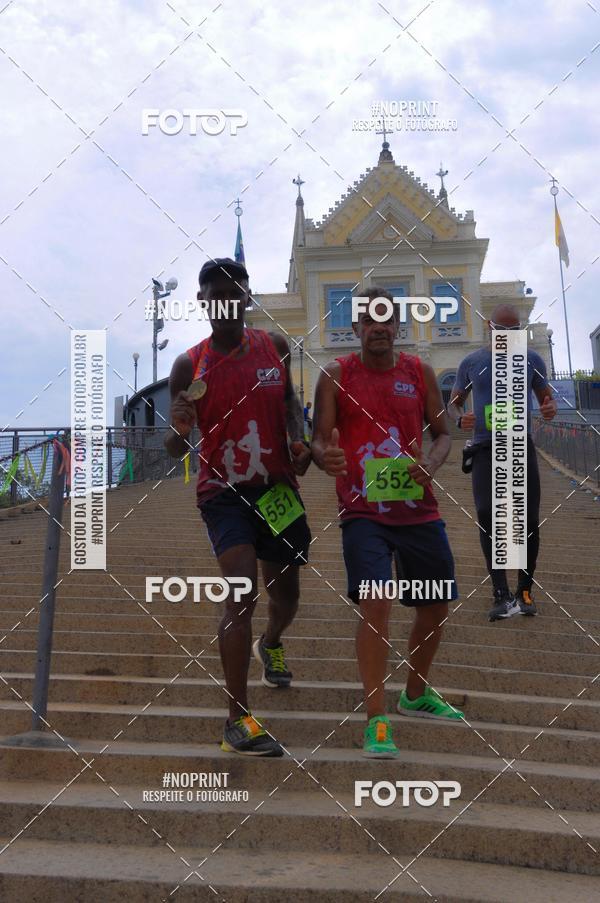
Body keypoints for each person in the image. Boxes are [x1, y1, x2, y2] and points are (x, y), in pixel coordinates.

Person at [165, 258, 312, 756]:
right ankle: (237, 720)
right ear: (204, 303)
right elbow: (171, 446)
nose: (226, 302)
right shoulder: (190, 365)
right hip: (223, 492)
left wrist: (300, 440)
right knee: (241, 592)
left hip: (276, 488)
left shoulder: (274, 346)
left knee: (286, 594)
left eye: (235, 292)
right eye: (215, 295)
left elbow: (291, 405)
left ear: (247, 297)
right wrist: (180, 430)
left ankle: (271, 640)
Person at [311, 287, 463, 759]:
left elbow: (443, 434)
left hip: (417, 508)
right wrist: (327, 456)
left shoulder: (420, 373)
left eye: (386, 319)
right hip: (362, 509)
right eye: (368, 320)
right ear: (355, 327)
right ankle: (377, 718)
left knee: (435, 605)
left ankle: (414, 694)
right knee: (377, 601)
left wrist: (432, 463)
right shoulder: (335, 375)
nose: (378, 327)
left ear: (398, 325)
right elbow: (318, 441)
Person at [448, 303, 557, 622]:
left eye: (514, 331)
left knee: (526, 521)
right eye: (502, 331)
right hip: (484, 448)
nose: (508, 337)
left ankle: (524, 591)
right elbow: (452, 404)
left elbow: (546, 400)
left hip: (520, 447)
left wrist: (549, 409)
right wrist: (459, 418)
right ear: (489, 326)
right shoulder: (472, 362)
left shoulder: (532, 360)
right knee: (487, 514)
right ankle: (500, 592)